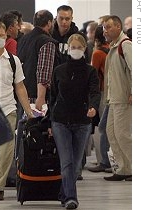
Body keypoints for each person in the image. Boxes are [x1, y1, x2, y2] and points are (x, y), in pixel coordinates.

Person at [0, 21, 34, 201]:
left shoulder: (14, 60)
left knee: (5, 152)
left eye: (1, 36)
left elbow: (20, 87)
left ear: (6, 37)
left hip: (9, 110)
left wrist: (28, 110)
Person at [50, 33, 101, 209]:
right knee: (67, 161)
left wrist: (93, 106)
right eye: (73, 47)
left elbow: (95, 92)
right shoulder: (59, 70)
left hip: (82, 121)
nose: (76, 50)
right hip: (60, 121)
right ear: (68, 49)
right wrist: (49, 121)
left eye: (79, 47)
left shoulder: (90, 71)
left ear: (84, 50)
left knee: (77, 163)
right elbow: (52, 97)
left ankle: (64, 193)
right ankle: (71, 197)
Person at [103, 15, 132, 181]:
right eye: (104, 27)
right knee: (112, 133)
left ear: (118, 27)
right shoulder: (114, 47)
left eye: (108, 27)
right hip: (114, 98)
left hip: (124, 98)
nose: (105, 31)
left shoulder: (125, 45)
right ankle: (124, 168)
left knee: (123, 134)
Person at [17, 9, 59, 112]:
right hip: (37, 97)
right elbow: (44, 72)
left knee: (23, 126)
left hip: (22, 95)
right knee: (37, 126)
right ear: (49, 23)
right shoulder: (47, 42)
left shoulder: (23, 39)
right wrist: (41, 97)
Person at [87, 25, 111, 173]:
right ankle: (106, 159)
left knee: (102, 128)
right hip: (109, 91)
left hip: (101, 92)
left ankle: (104, 161)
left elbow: (92, 75)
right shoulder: (110, 49)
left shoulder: (97, 54)